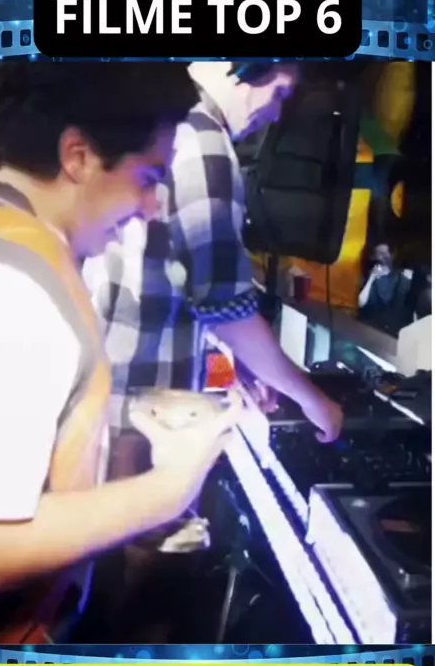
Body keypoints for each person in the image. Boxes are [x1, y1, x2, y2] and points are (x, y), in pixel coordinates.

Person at [0, 61, 242, 643]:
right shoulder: (10, 286)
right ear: (78, 156)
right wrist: (168, 491)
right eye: (147, 176)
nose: (153, 206)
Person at [87, 61, 344, 483]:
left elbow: (179, 277)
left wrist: (243, 361)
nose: (276, 113)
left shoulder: (173, 124)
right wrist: (312, 400)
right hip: (140, 416)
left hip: (117, 402)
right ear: (247, 66)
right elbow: (224, 304)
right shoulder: (204, 140)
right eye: (279, 93)